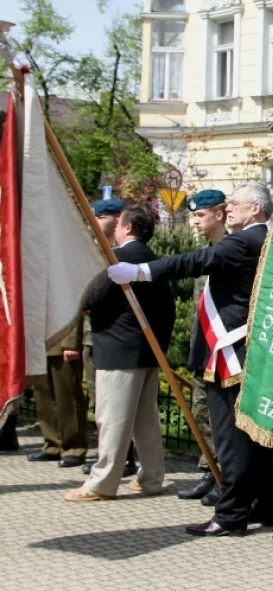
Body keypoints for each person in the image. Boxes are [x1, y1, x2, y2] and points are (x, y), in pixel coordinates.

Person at [106, 182, 273, 535]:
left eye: (236, 204)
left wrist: (142, 271)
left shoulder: (245, 240)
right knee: (252, 435)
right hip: (245, 348)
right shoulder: (265, 239)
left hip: (231, 349)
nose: (229, 208)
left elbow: (195, 260)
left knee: (231, 437)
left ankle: (231, 515)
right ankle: (264, 504)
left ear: (256, 210)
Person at [66, 206, 175, 501]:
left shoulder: (119, 258)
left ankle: (102, 482)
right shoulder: (154, 261)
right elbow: (169, 309)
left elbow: (94, 298)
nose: (114, 229)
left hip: (118, 349)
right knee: (145, 421)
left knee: (112, 419)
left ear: (128, 228)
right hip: (146, 351)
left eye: (118, 225)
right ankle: (151, 478)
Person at [175, 190, 227, 504]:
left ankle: (227, 475)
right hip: (203, 348)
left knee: (223, 417)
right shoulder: (206, 253)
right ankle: (210, 469)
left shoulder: (230, 252)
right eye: (194, 215)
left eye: (200, 215)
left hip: (225, 352)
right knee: (201, 411)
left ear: (219, 215)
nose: (195, 221)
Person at [83, 199, 138, 477]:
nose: (97, 220)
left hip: (116, 340)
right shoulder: (90, 250)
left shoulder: (121, 254)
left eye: (103, 216)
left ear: (117, 220)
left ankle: (122, 459)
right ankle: (106, 453)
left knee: (119, 406)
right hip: (94, 338)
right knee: (100, 402)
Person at [26, 317, 87, 468]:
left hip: (62, 344)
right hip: (39, 344)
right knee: (44, 396)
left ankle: (74, 448)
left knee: (68, 397)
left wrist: (72, 343)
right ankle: (53, 444)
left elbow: (73, 309)